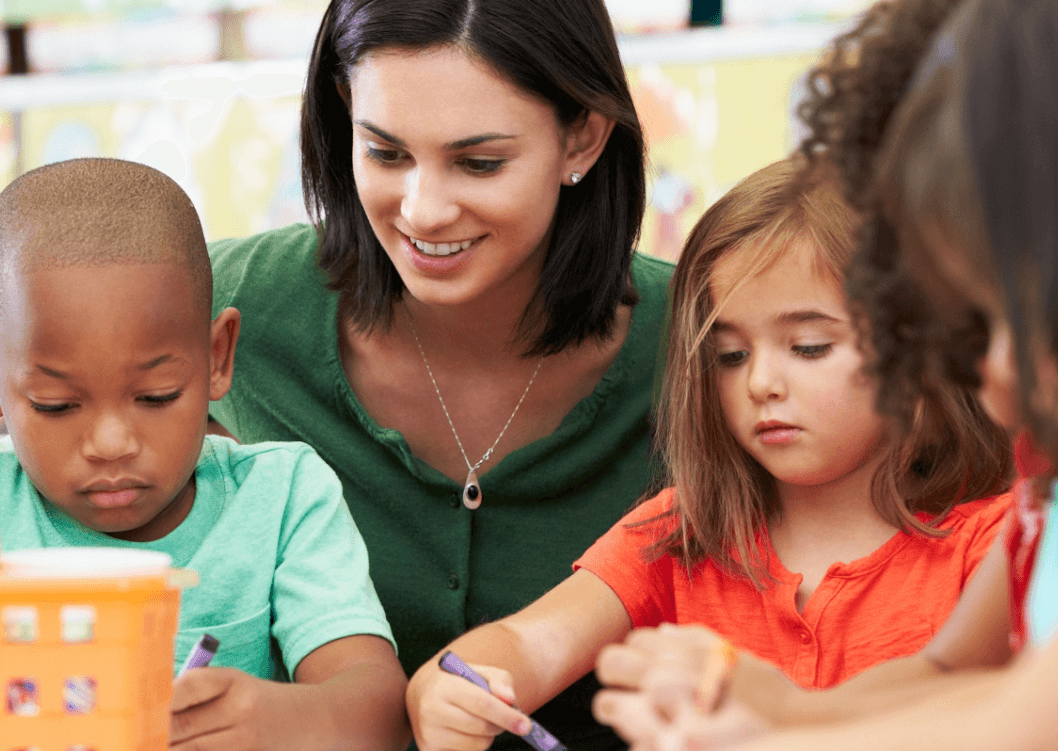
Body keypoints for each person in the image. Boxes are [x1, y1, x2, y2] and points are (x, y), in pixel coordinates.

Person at [594, 0, 1058, 748]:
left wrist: (767, 739)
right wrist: (775, 704)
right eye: (964, 327)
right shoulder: (1046, 492)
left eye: (1020, 322)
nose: (992, 375)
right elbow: (949, 675)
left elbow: (1029, 719)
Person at [206, 0, 672, 748]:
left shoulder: (708, 337)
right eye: (385, 153)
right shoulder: (231, 305)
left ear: (583, 139)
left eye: (479, 162)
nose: (422, 209)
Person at [405, 156, 1012, 751]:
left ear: (919, 352)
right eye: (730, 355)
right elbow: (530, 644)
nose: (760, 384)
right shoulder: (682, 531)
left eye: (807, 347)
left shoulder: (998, 546)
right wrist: (447, 688)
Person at [0, 158, 410, 751]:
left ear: (217, 357)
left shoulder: (282, 499)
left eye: (156, 396)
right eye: (57, 405)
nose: (112, 443)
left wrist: (279, 720)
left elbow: (384, 714)